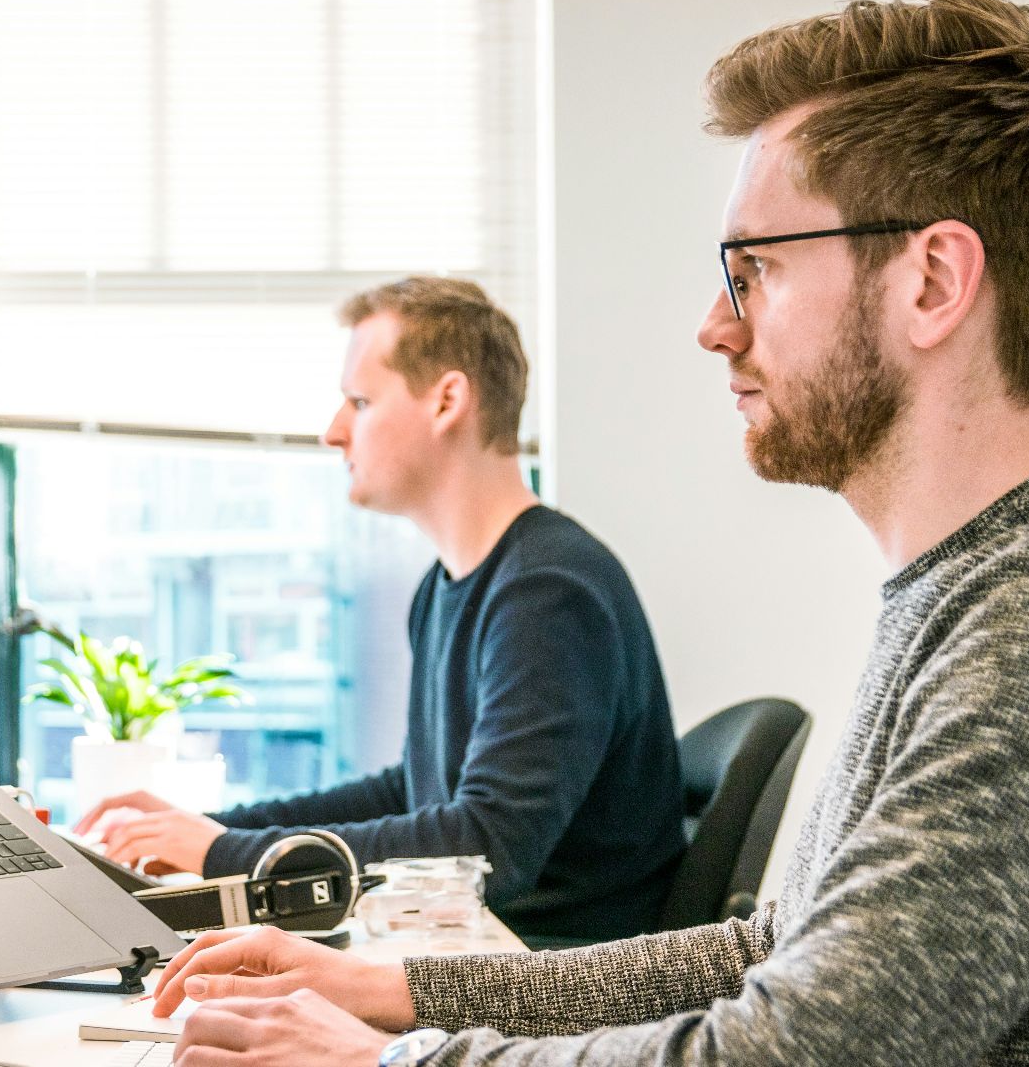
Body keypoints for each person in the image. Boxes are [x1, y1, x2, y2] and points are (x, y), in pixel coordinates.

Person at [145, 0, 1029, 1065]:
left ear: (932, 281)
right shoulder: (979, 589)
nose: (713, 327)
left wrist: (402, 1056)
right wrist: (393, 992)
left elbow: (800, 1050)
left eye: (756, 271)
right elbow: (769, 955)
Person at [76, 276, 688, 945]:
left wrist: (223, 855)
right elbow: (414, 792)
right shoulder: (450, 586)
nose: (332, 432)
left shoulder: (548, 593)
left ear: (447, 400)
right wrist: (215, 831)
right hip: (475, 949)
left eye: (360, 402)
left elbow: (487, 849)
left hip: (547, 977)